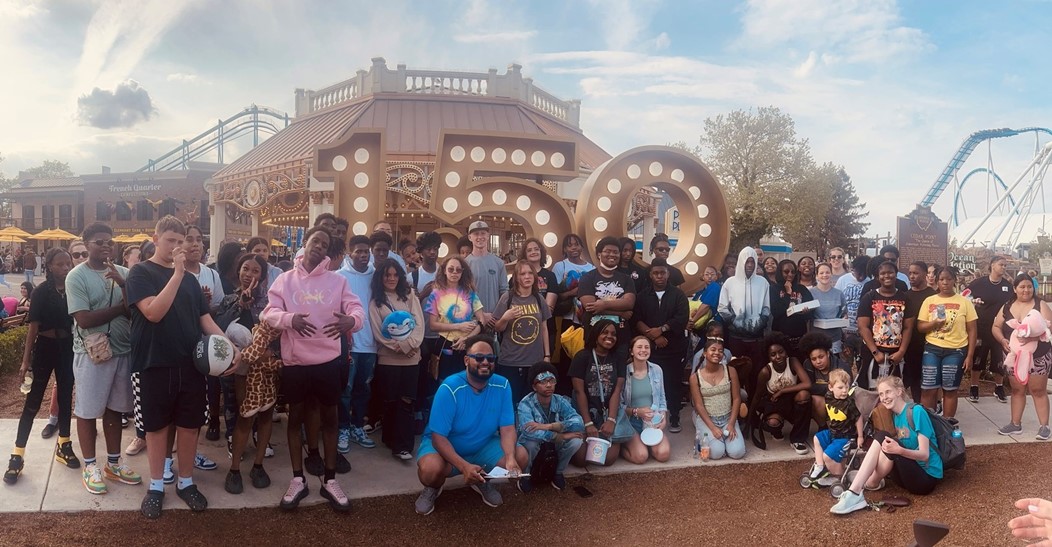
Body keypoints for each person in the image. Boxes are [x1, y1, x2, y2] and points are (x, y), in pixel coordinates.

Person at [126, 216, 236, 518]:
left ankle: (186, 482)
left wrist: (229, 346)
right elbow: (153, 313)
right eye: (171, 240)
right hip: (153, 363)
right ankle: (157, 485)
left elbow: (205, 319)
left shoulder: (190, 281)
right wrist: (176, 273)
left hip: (191, 364)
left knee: (189, 425)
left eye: (181, 241)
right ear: (156, 238)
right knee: (157, 427)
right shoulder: (140, 273)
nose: (177, 247)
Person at [263, 225, 363, 512]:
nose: (319, 246)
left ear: (327, 251)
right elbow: (268, 312)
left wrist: (351, 322)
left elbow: (356, 310)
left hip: (328, 362)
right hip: (295, 362)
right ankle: (298, 479)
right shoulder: (284, 280)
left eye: (324, 244)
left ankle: (330, 480)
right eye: (315, 241)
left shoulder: (337, 282)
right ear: (305, 244)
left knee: (330, 420)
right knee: (295, 421)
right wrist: (289, 319)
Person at [66, 223, 141, 495]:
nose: (106, 245)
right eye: (99, 241)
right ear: (86, 243)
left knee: (115, 410)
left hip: (123, 350)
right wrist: (120, 309)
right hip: (92, 354)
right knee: (86, 410)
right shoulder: (76, 276)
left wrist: (124, 288)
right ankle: (89, 465)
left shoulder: (125, 274)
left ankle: (113, 463)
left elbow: (136, 314)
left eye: (110, 241)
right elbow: (83, 319)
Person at [414, 335, 526, 515]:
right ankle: (433, 488)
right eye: (479, 357)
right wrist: (464, 466)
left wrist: (510, 459)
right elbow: (438, 438)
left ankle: (481, 480)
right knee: (430, 469)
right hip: (447, 447)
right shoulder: (449, 387)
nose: (485, 362)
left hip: (482, 444)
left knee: (520, 455)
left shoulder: (503, 385)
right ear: (466, 360)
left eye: (490, 359)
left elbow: (507, 428)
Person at [4, 248, 78, 485]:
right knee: (33, 402)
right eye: (59, 264)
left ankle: (64, 445)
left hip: (67, 349)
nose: (65, 268)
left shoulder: (73, 289)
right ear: (48, 266)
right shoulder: (42, 292)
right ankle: (17, 455)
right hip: (45, 349)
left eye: (68, 263)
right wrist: (26, 360)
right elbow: (32, 328)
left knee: (66, 398)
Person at [830, 376, 943, 515]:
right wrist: (896, 450)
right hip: (908, 476)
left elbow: (925, 455)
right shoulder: (895, 416)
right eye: (881, 394)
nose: (884, 397)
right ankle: (868, 483)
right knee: (886, 441)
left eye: (888, 392)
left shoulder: (917, 412)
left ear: (899, 391)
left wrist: (900, 450)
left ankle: (857, 490)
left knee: (885, 437)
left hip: (925, 479)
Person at [221, 253, 275, 494]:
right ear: (238, 271)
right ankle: (234, 470)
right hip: (243, 368)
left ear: (262, 276)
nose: (249, 274)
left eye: (255, 271)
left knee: (265, 415)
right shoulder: (230, 299)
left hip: (268, 366)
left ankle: (258, 465)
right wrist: (240, 304)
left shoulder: (272, 302)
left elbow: (278, 329)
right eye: (245, 269)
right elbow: (218, 326)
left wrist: (271, 355)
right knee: (245, 415)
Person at [368, 258, 426, 460]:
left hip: (412, 358)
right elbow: (379, 333)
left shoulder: (410, 295)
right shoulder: (377, 301)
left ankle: (403, 446)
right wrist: (402, 348)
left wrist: (411, 345)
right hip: (388, 359)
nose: (391, 278)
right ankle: (390, 438)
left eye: (395, 275)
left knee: (406, 401)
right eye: (387, 275)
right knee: (390, 401)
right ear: (381, 277)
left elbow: (419, 324)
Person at [992, 273, 1052, 440]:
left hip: (1038, 355)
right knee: (1017, 389)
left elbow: (1049, 330)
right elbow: (996, 326)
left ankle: (1044, 426)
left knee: (1038, 390)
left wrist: (1031, 338)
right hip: (1013, 355)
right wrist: (1003, 340)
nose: (1026, 290)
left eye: (1029, 287)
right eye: (1022, 287)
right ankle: (1015, 424)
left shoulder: (1041, 305)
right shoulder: (1007, 306)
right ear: (1015, 289)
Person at [633, 258, 689, 432]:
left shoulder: (678, 295)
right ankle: (653, 418)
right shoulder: (642, 296)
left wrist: (663, 329)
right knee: (652, 384)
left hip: (674, 348)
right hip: (650, 349)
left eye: (662, 273)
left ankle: (674, 417)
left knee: (673, 383)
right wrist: (653, 336)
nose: (659, 276)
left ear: (668, 274)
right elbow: (636, 319)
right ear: (650, 275)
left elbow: (682, 318)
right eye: (656, 273)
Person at [568, 319, 633, 466]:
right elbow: (579, 392)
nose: (610, 336)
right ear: (596, 335)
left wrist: (611, 420)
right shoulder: (582, 356)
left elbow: (617, 390)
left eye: (614, 334)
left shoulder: (618, 358)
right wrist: (588, 423)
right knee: (581, 460)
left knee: (607, 460)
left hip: (607, 413)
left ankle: (617, 441)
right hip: (584, 413)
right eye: (605, 332)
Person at [917, 266, 977, 420]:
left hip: (956, 351)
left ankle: (947, 424)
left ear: (954, 281)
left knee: (950, 389)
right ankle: (928, 424)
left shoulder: (965, 302)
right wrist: (934, 324)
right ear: (937, 281)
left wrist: (969, 355)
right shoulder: (929, 301)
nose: (945, 282)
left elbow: (972, 330)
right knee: (928, 389)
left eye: (949, 279)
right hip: (932, 349)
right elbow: (920, 326)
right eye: (941, 279)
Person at [515, 362, 585, 492]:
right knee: (530, 443)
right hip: (537, 443)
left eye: (552, 381)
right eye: (542, 382)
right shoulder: (525, 403)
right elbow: (528, 431)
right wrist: (559, 436)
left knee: (576, 441)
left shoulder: (560, 400)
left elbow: (579, 422)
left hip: (551, 440)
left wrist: (549, 426)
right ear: (534, 386)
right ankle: (526, 476)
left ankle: (558, 472)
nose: (548, 385)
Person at [337, 234, 378, 452]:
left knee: (364, 388)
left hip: (371, 344)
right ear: (349, 253)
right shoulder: (339, 277)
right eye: (358, 251)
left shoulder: (375, 275)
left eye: (366, 251)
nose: (363, 255)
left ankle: (357, 426)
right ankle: (343, 428)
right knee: (346, 389)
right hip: (350, 344)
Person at [493, 260, 552, 403]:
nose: (527, 276)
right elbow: (497, 327)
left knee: (532, 403)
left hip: (535, 361)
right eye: (523, 273)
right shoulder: (507, 297)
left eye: (530, 273)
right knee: (511, 401)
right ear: (516, 277)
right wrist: (505, 318)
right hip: (510, 361)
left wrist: (547, 355)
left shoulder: (539, 299)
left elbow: (544, 327)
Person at [718, 246, 770, 399]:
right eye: (747, 262)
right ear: (741, 262)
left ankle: (754, 414)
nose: (749, 265)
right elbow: (722, 308)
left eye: (752, 262)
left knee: (756, 374)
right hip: (736, 338)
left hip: (757, 338)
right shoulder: (730, 283)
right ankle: (738, 410)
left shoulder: (762, 282)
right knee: (737, 375)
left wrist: (760, 323)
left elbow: (766, 308)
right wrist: (736, 322)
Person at [750, 333, 812, 454]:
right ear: (768, 357)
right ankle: (776, 431)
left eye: (781, 352)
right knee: (773, 423)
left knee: (804, 395)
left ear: (786, 351)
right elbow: (757, 396)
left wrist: (782, 391)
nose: (778, 356)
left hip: (791, 400)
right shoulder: (765, 371)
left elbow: (807, 384)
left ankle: (798, 439)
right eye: (773, 354)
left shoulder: (793, 361)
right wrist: (749, 422)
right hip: (774, 402)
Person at [857, 261, 915, 390]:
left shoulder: (905, 298)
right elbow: (863, 326)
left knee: (895, 391)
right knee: (873, 391)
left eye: (890, 272)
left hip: (896, 355)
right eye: (882, 273)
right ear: (877, 277)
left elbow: (908, 327)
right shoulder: (869, 297)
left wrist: (901, 351)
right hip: (874, 354)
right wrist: (875, 352)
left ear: (896, 275)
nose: (887, 276)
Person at [424, 255, 483, 381]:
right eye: (451, 269)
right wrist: (458, 326)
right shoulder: (435, 294)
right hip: (445, 345)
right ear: (444, 270)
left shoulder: (469, 293)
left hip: (467, 345)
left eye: (458, 270)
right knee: (445, 382)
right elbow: (432, 325)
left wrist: (467, 339)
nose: (454, 272)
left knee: (467, 382)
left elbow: (482, 321)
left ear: (463, 272)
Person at [578, 236, 637, 361]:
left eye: (615, 252)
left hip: (621, 336)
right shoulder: (587, 278)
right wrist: (620, 311)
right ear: (599, 254)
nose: (612, 255)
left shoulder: (627, 279)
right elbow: (590, 306)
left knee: (619, 373)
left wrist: (603, 305)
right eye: (607, 251)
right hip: (593, 336)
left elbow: (629, 303)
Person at [689, 336, 746, 460]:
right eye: (713, 350)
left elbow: (736, 399)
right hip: (707, 420)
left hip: (727, 418)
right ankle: (699, 426)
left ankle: (726, 440)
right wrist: (713, 428)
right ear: (704, 353)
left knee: (737, 452)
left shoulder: (731, 371)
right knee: (716, 453)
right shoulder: (695, 377)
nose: (717, 353)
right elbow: (698, 405)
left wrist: (731, 424)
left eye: (720, 351)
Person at [967, 255, 1013, 404]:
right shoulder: (978, 284)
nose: (1004, 267)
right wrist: (972, 301)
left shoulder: (1008, 286)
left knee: (999, 360)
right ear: (992, 265)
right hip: (981, 328)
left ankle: (999, 388)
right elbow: (964, 297)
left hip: (1000, 330)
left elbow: (1013, 304)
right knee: (978, 359)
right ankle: (974, 387)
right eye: (1001, 264)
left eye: (1005, 265)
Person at [619, 336, 671, 463]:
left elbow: (662, 398)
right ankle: (621, 447)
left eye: (647, 347)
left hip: (652, 421)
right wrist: (637, 411)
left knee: (663, 455)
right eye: (639, 347)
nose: (643, 350)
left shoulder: (657, 370)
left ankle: (646, 444)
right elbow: (619, 405)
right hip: (631, 422)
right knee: (641, 457)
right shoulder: (624, 372)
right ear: (631, 351)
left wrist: (663, 417)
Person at [805, 369, 863, 481]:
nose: (845, 391)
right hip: (833, 433)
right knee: (817, 438)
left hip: (845, 437)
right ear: (831, 388)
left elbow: (858, 417)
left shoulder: (849, 404)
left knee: (827, 456)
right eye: (840, 388)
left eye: (847, 387)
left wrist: (860, 436)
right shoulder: (828, 396)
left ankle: (838, 477)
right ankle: (820, 466)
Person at [799, 332, 852, 428]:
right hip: (821, 402)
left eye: (821, 357)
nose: (818, 362)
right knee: (812, 399)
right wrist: (829, 387)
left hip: (840, 401)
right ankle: (823, 427)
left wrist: (817, 387)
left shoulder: (841, 367)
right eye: (814, 359)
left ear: (828, 353)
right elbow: (808, 386)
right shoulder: (807, 365)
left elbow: (846, 390)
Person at [464, 220, 508, 332]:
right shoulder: (464, 265)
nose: (480, 237)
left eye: (483, 233)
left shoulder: (499, 263)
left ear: (488, 236)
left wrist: (497, 315)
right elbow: (463, 295)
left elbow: (504, 292)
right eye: (476, 234)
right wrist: (481, 315)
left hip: (495, 322)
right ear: (470, 237)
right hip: (472, 322)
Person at [519, 237, 559, 359]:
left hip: (547, 328)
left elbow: (549, 308)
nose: (533, 252)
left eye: (536, 249)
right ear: (524, 254)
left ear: (541, 252)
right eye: (529, 250)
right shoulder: (517, 277)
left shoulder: (550, 276)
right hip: (523, 329)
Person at [904, 261, 937, 401]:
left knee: (928, 381)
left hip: (929, 344)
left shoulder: (933, 296)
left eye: (916, 273)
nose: (912, 276)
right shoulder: (905, 296)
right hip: (909, 345)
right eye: (910, 273)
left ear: (925, 274)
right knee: (912, 380)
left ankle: (928, 408)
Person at [770, 259, 814, 358]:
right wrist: (788, 293)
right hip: (780, 338)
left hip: (799, 337)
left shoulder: (802, 289)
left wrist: (806, 312)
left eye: (793, 271)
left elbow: (812, 310)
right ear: (780, 272)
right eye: (786, 271)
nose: (790, 274)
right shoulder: (774, 289)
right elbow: (776, 311)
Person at [551, 233, 594, 330]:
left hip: (587, 318)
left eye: (576, 244)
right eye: (569, 246)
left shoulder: (591, 268)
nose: (574, 248)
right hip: (567, 317)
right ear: (565, 249)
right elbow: (556, 294)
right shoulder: (560, 266)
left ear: (581, 247)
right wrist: (572, 293)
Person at [809, 262, 847, 353]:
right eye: (821, 273)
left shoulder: (839, 294)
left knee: (834, 364)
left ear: (831, 274)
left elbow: (844, 313)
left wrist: (844, 319)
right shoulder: (810, 293)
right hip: (816, 338)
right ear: (817, 276)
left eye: (827, 272)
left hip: (835, 338)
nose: (825, 275)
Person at [689, 265, 722, 332]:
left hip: (711, 327)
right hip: (698, 327)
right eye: (707, 274)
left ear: (716, 277)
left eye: (712, 274)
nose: (709, 276)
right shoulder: (699, 293)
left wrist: (692, 322)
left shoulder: (715, 287)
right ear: (703, 277)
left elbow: (706, 306)